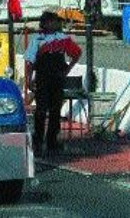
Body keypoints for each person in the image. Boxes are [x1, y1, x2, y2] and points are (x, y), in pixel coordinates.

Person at [24, 10, 81, 155]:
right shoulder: (37, 39)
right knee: (41, 110)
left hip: (57, 78)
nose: (56, 23)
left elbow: (76, 53)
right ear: (45, 23)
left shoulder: (63, 38)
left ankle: (52, 140)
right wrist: (28, 79)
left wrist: (67, 70)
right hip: (42, 77)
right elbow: (29, 61)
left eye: (57, 21)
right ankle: (38, 139)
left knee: (55, 110)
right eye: (53, 21)